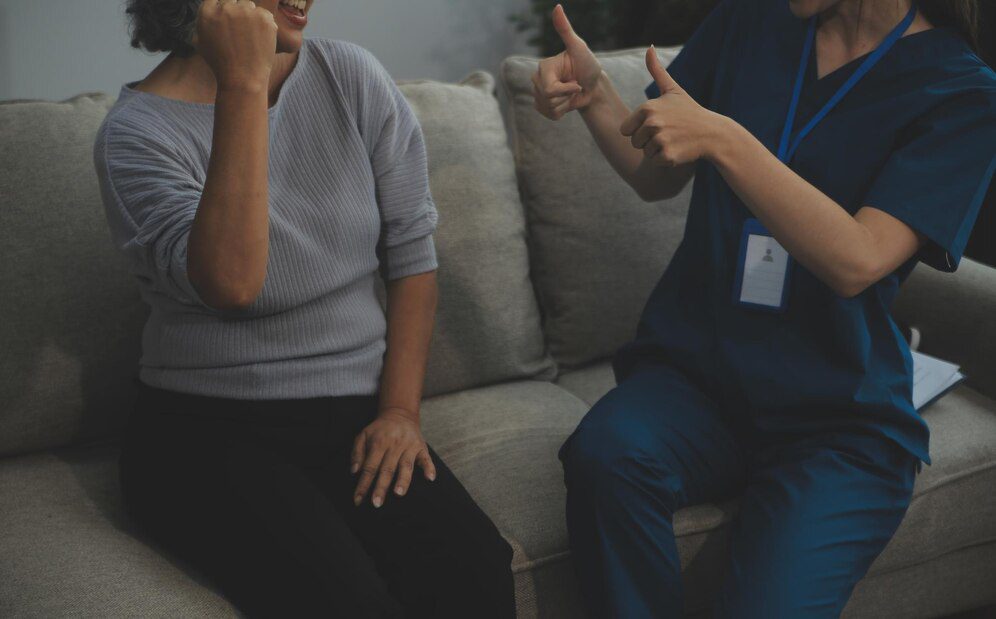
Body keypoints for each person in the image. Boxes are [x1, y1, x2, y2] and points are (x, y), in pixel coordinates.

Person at [533, 0, 995, 616]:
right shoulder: (749, 21)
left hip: (837, 417)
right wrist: (594, 96)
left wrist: (725, 139)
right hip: (699, 380)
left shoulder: (963, 93)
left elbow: (858, 260)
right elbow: (655, 175)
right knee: (605, 456)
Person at [93, 1, 515, 616]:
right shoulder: (135, 136)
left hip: (350, 414)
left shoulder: (349, 77)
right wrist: (242, 82)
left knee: (475, 570)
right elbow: (235, 283)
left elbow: (412, 257)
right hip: (205, 434)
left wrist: (399, 411)